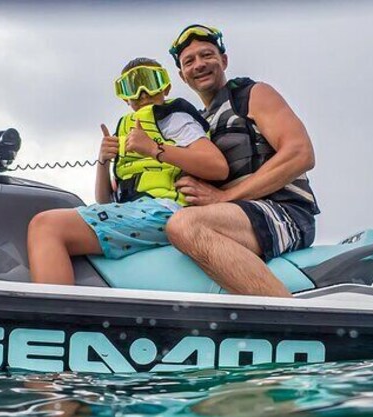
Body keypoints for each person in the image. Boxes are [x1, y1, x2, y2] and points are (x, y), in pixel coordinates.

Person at [27, 57, 228, 285]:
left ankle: (55, 309)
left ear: (165, 87)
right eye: (132, 86)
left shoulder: (172, 117)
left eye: (149, 82)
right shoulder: (127, 130)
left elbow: (217, 166)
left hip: (167, 210)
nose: (142, 94)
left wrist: (152, 148)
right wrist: (103, 161)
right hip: (139, 209)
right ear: (124, 96)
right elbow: (104, 200)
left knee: (47, 226)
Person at [164, 25, 321, 297]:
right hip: (233, 219)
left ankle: (291, 316)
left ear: (224, 60)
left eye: (207, 55)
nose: (199, 64)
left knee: (185, 225)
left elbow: (300, 153)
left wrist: (224, 197)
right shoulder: (195, 127)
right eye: (189, 61)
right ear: (182, 75)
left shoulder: (252, 95)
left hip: (284, 213)